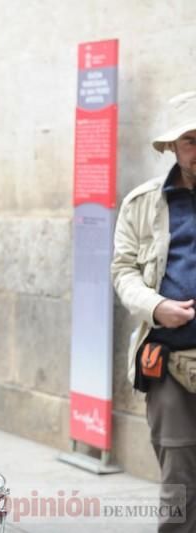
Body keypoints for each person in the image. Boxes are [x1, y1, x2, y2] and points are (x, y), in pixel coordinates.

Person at [112, 90, 196, 532]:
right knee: (179, 481)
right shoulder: (143, 203)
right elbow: (123, 270)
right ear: (173, 148)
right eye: (190, 141)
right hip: (169, 361)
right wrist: (156, 306)